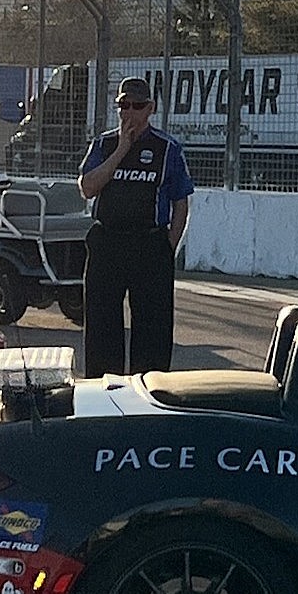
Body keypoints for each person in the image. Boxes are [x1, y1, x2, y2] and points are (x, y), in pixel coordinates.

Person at [77, 77, 194, 378]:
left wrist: (168, 246)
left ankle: (150, 391)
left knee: (152, 330)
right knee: (102, 326)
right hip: (108, 242)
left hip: (150, 244)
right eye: (123, 105)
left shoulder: (167, 148)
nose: (129, 112)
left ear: (150, 109)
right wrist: (120, 151)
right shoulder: (103, 145)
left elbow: (181, 202)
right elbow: (88, 187)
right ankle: (104, 391)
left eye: (137, 106)